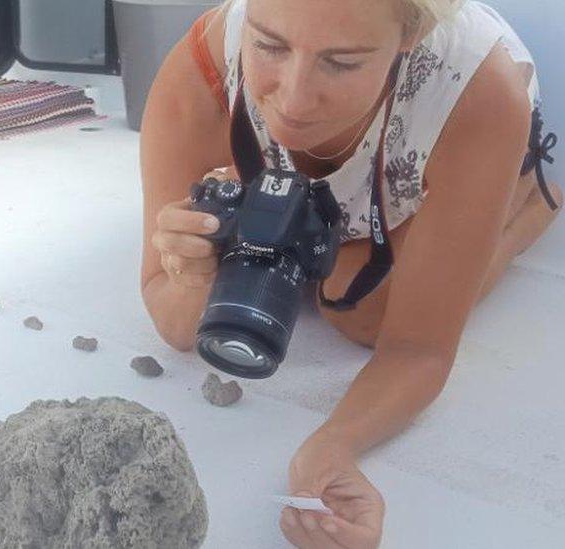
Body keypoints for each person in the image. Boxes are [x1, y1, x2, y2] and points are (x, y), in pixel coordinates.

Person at [139, 0, 561, 546]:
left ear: (409, 35)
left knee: (363, 314)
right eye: (268, 44)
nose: (292, 100)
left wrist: (334, 445)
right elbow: (171, 317)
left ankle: (528, 204)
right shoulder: (202, 67)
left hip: (433, 131)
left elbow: (418, 348)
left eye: (341, 62)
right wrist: (193, 271)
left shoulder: (480, 93)